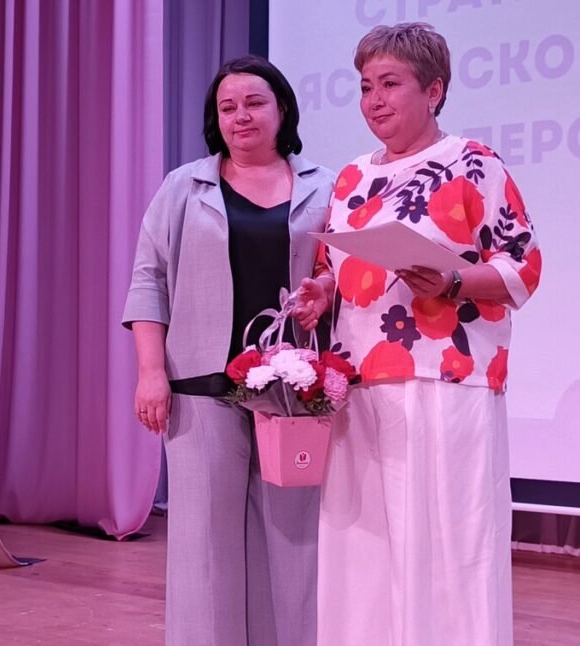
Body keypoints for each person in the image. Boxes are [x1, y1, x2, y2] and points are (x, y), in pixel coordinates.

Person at [295, 23, 541, 645]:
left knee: (450, 543)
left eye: (390, 84)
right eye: (365, 86)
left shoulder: (473, 163)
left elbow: (523, 268)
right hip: (358, 380)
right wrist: (321, 289)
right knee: (364, 549)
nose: (374, 99)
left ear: (434, 91)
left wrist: (453, 283)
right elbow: (333, 267)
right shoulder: (351, 177)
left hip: (445, 378)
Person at [122, 55, 334, 646]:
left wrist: (325, 292)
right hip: (199, 391)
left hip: (292, 393)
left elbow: (342, 275)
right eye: (227, 107)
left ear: (282, 109)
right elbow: (148, 280)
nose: (241, 116)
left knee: (293, 543)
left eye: (254, 103)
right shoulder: (183, 186)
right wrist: (150, 372)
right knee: (204, 548)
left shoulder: (325, 185)